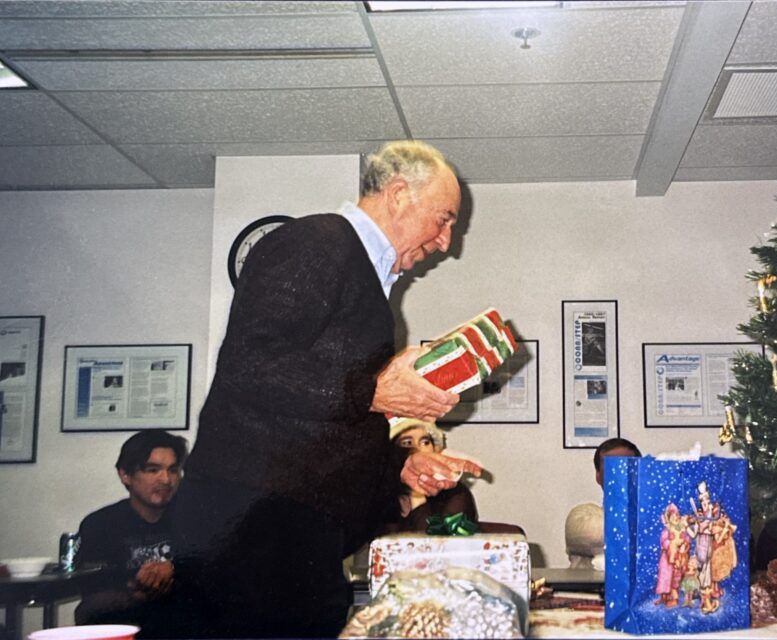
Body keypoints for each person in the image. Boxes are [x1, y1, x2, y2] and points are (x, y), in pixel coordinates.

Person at [170, 140, 481, 639]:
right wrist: (373, 392)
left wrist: (400, 468)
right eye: (443, 219)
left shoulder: (359, 270)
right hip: (251, 536)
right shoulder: (315, 242)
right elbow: (251, 366)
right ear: (399, 194)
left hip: (284, 536)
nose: (447, 242)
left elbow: (324, 421)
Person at [75, 430, 188, 637]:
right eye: (152, 470)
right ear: (125, 475)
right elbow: (91, 599)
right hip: (127, 624)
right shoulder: (100, 524)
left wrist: (173, 569)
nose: (166, 479)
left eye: (173, 470)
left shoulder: (195, 519)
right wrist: (136, 591)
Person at [387, 419, 478, 532]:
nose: (419, 450)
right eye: (407, 443)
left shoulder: (455, 494)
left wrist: (417, 496)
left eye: (425, 442)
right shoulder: (379, 493)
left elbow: (433, 545)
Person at [565, 438, 642, 570]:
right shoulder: (581, 517)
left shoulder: (663, 516)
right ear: (598, 476)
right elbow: (593, 535)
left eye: (628, 467)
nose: (620, 475)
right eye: (612, 468)